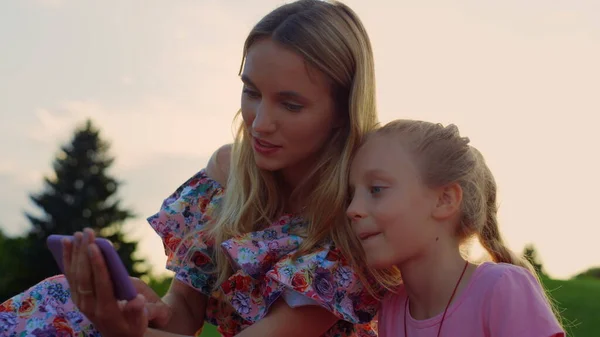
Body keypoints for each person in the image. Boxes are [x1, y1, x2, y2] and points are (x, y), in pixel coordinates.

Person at [0, 1, 396, 336]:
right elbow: (184, 310)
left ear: (343, 113)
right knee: (62, 300)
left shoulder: (360, 211)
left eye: (290, 105)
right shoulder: (228, 173)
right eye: (252, 92)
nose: (259, 123)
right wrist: (146, 311)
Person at [347, 119, 565, 337]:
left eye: (376, 189)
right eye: (352, 194)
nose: (352, 209)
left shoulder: (500, 288)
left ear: (445, 200)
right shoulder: (391, 309)